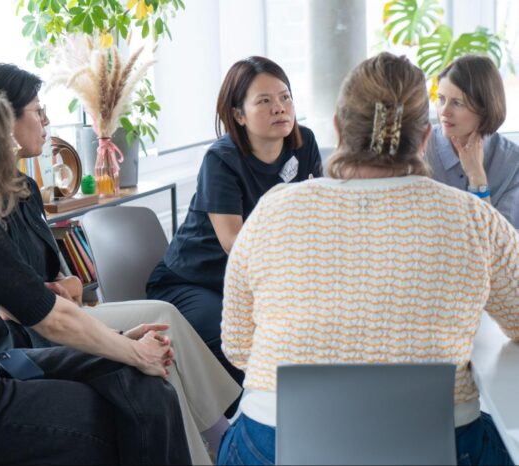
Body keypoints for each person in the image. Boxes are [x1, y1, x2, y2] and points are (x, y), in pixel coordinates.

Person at [218, 52, 518, 465]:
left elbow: (237, 345)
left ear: (339, 129)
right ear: (426, 138)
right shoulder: (473, 217)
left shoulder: (273, 210)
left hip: (276, 441)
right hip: (438, 444)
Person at [0, 89, 191, 465]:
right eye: (2, 136)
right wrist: (132, 350)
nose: (10, 146)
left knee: (143, 388)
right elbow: (54, 318)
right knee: (133, 405)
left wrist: (118, 343)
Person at [0, 63, 241, 464]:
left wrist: (69, 283)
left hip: (62, 310)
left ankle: (219, 438)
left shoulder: (25, 187)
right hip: (31, 332)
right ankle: (211, 449)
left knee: (162, 317)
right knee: (156, 338)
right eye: (37, 111)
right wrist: (32, 300)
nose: (46, 122)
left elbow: (60, 272)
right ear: (1, 118)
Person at [146, 56, 324, 388]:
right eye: (265, 101)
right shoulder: (221, 159)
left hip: (259, 281)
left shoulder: (304, 143)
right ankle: (237, 427)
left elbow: (316, 216)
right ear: (239, 115)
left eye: (285, 97)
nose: (280, 108)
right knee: (237, 337)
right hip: (194, 281)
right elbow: (236, 244)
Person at [425, 54, 519, 229]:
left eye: (458, 103)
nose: (444, 112)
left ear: (485, 108)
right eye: (441, 99)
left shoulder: (513, 164)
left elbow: (503, 247)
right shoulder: (421, 148)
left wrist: (477, 177)